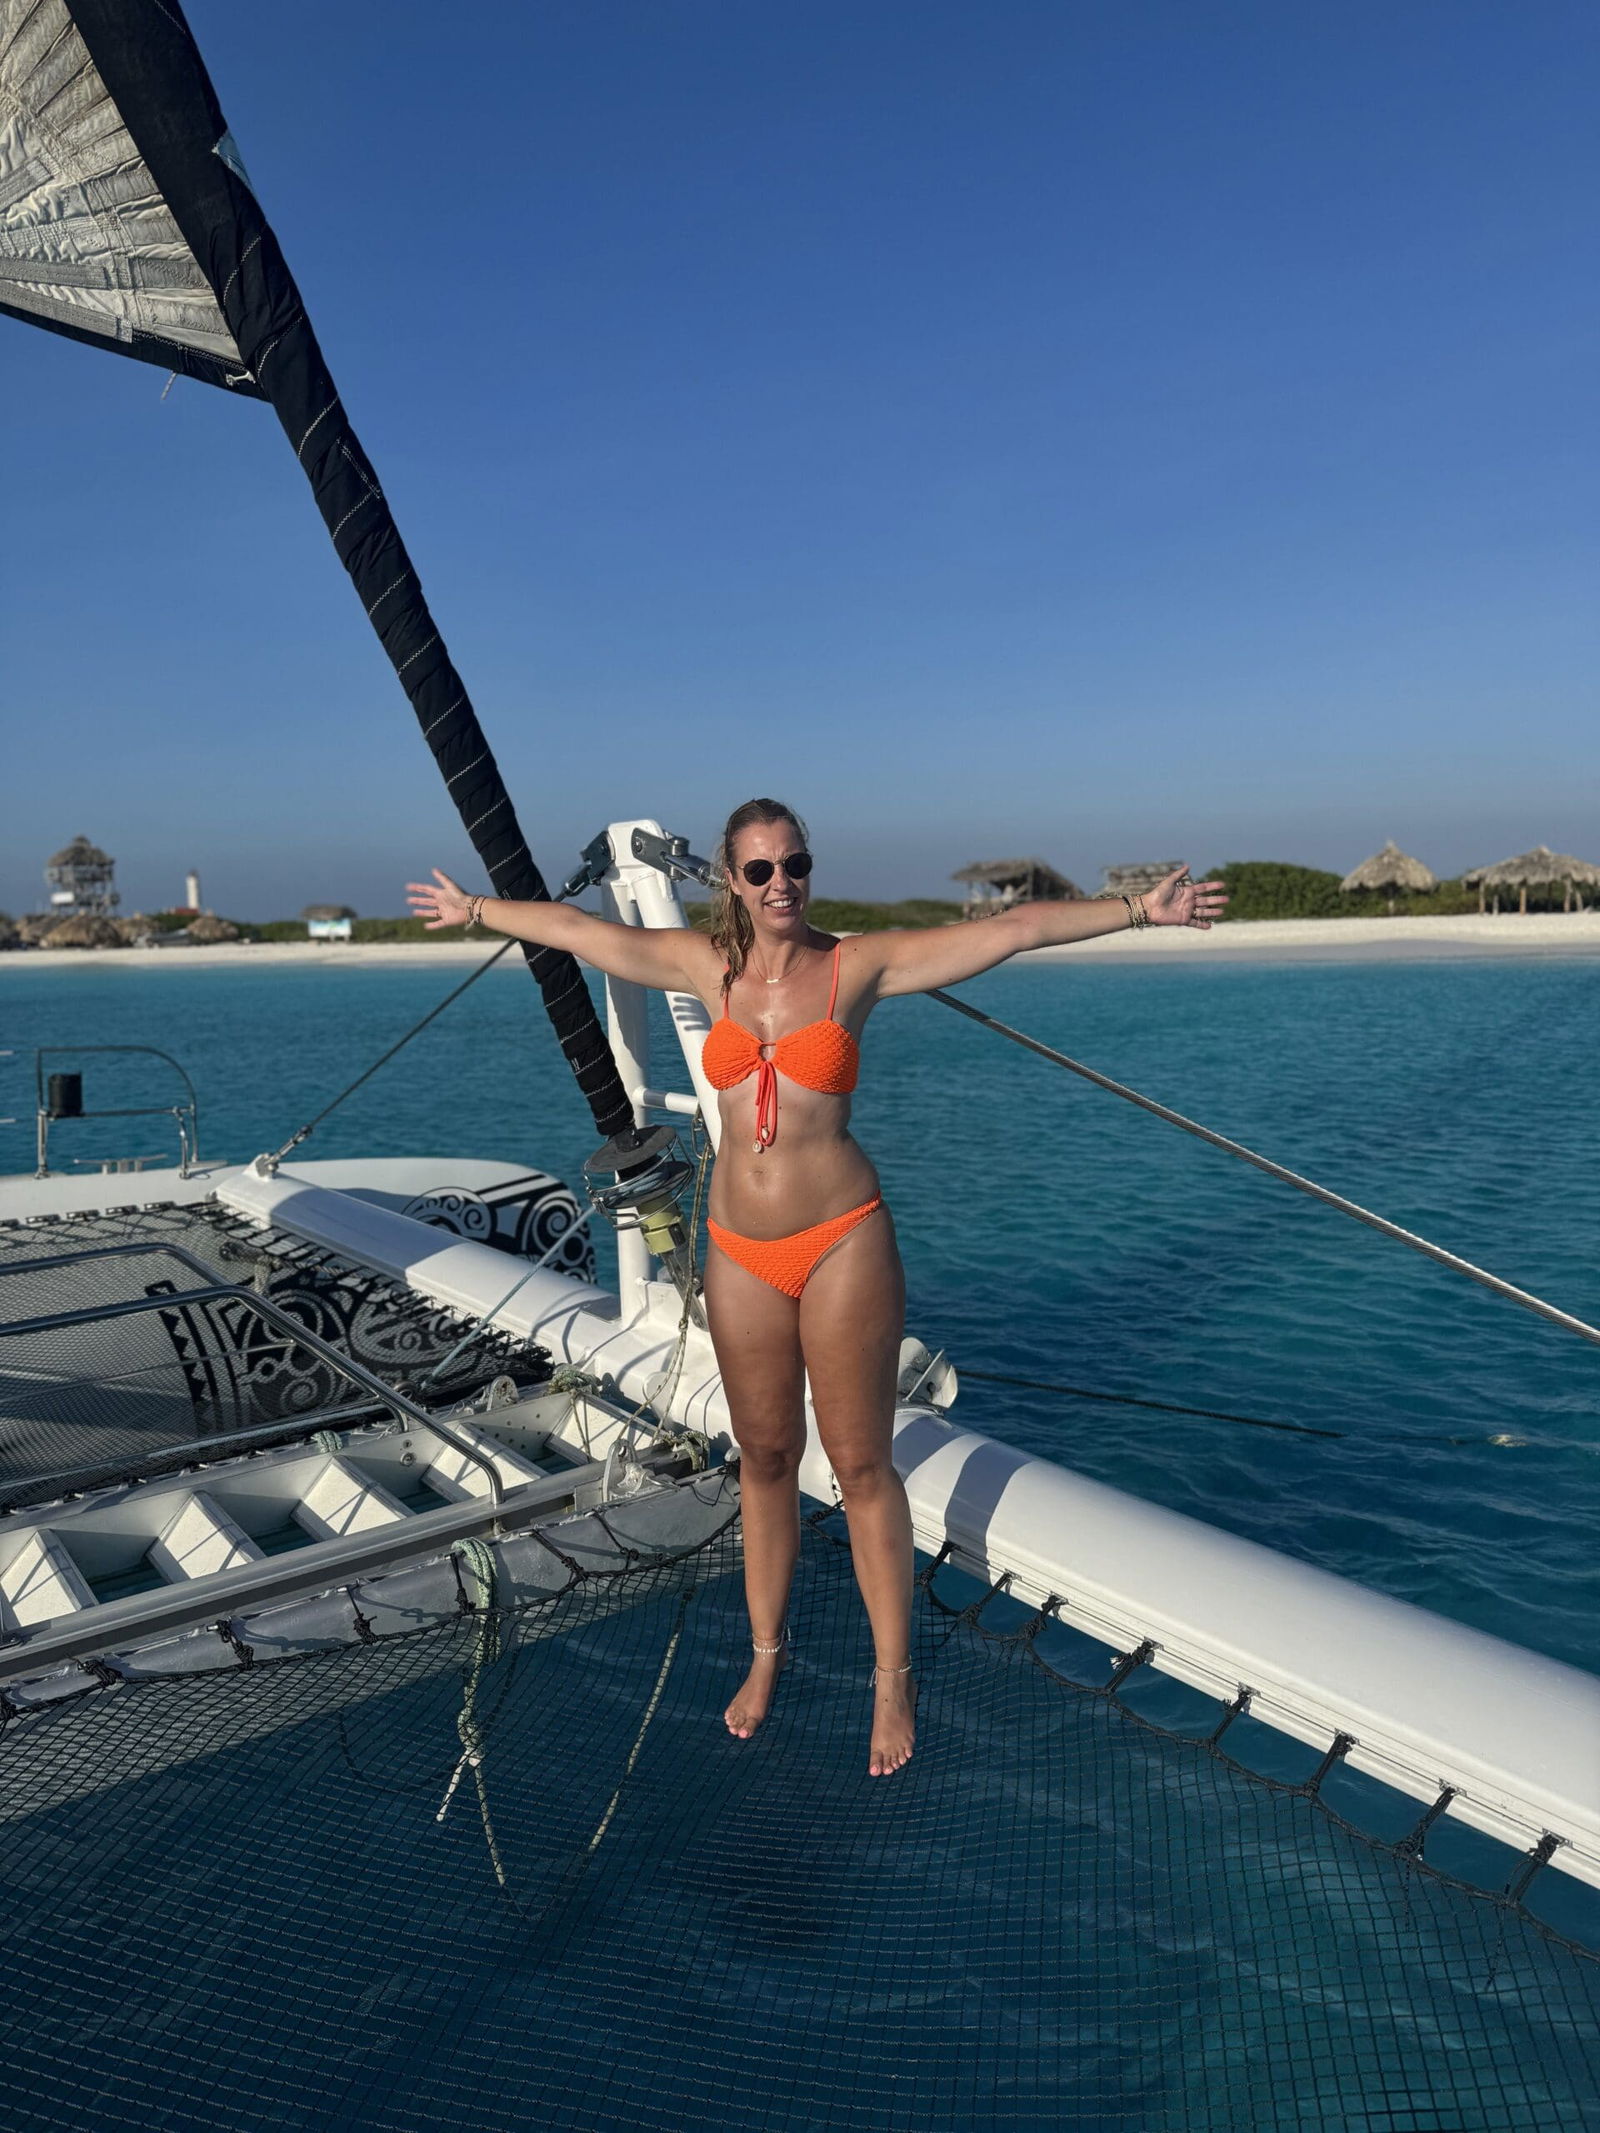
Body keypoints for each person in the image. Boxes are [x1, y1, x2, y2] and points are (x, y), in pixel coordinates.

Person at [408, 801, 1226, 1775]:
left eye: (794, 864)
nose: (781, 883)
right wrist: (477, 911)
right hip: (738, 1251)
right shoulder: (701, 966)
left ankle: (892, 1677)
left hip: (841, 1241)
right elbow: (581, 932)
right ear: (732, 879)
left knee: (860, 1464)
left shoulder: (856, 965)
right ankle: (767, 1654)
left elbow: (1011, 928)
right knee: (762, 1457)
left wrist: (1137, 911)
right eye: (759, 870)